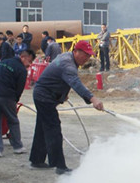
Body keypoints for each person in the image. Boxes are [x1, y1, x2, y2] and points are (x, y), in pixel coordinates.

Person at [29, 40, 103, 174]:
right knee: (53, 130)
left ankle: (37, 160)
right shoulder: (68, 65)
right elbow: (75, 83)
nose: (87, 58)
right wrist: (93, 99)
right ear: (76, 51)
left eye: (89, 56)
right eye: (85, 55)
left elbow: (60, 78)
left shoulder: (66, 57)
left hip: (43, 94)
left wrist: (62, 94)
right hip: (44, 97)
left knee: (42, 127)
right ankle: (60, 166)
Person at [0, 49, 35, 158]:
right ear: (23, 57)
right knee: (12, 120)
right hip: (7, 96)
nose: (30, 64)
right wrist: (15, 100)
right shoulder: (21, 69)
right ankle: (17, 147)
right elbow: (19, 88)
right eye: (30, 61)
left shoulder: (3, 62)